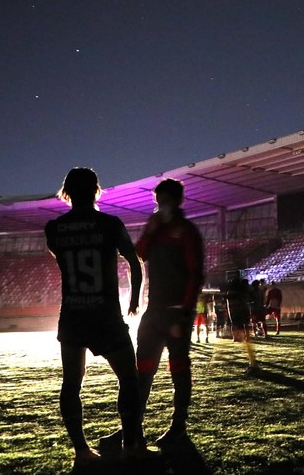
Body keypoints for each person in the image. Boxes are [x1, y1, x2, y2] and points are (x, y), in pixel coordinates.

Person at [45, 168, 145, 468]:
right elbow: (135, 262)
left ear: (67, 193)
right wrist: (136, 298)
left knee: (71, 384)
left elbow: (61, 258)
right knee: (129, 378)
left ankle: (82, 451)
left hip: (73, 314)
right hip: (106, 315)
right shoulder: (110, 224)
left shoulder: (54, 228)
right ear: (96, 190)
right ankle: (131, 445)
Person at [135, 178, 204, 447]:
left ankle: (178, 426)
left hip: (176, 313)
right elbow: (139, 255)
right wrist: (150, 231)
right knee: (142, 370)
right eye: (158, 201)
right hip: (153, 312)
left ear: (178, 201)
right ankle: (133, 427)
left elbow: (195, 273)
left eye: (165, 201)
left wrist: (184, 312)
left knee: (178, 368)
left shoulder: (186, 231)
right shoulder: (155, 228)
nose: (161, 206)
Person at [226, 277, 258, 372]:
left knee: (244, 340)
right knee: (247, 339)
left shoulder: (231, 293)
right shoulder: (243, 293)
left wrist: (231, 320)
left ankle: (252, 363)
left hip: (237, 317)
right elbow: (251, 301)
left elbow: (230, 307)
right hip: (244, 315)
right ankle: (252, 362)